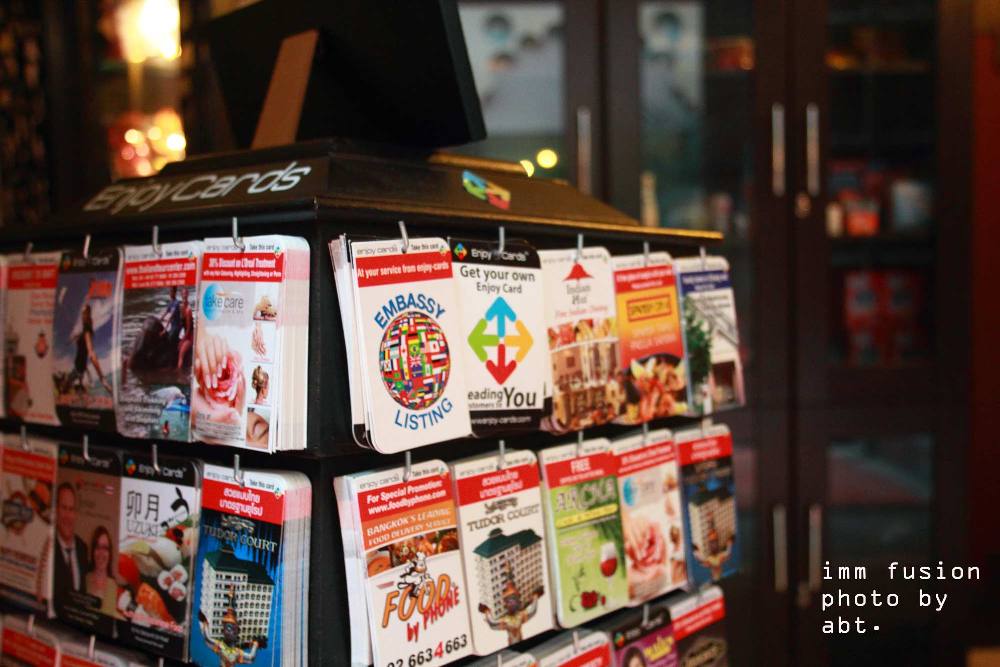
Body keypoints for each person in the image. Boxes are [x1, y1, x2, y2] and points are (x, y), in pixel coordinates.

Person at [53, 483, 88, 614]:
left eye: (71, 509)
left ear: (76, 513)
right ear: (56, 510)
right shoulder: (48, 547)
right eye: (64, 508)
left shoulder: (82, 548)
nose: (68, 515)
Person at [71, 303, 113, 395]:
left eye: (84, 313)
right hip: (79, 367)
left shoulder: (87, 331)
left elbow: (91, 353)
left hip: (79, 369)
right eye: (82, 313)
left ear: (88, 315)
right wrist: (76, 336)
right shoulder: (86, 330)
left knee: (68, 388)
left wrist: (102, 378)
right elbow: (84, 335)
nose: (82, 316)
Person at [84, 525, 122, 618]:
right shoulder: (84, 580)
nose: (101, 553)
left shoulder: (115, 587)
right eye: (97, 547)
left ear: (110, 553)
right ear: (93, 551)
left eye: (105, 548)